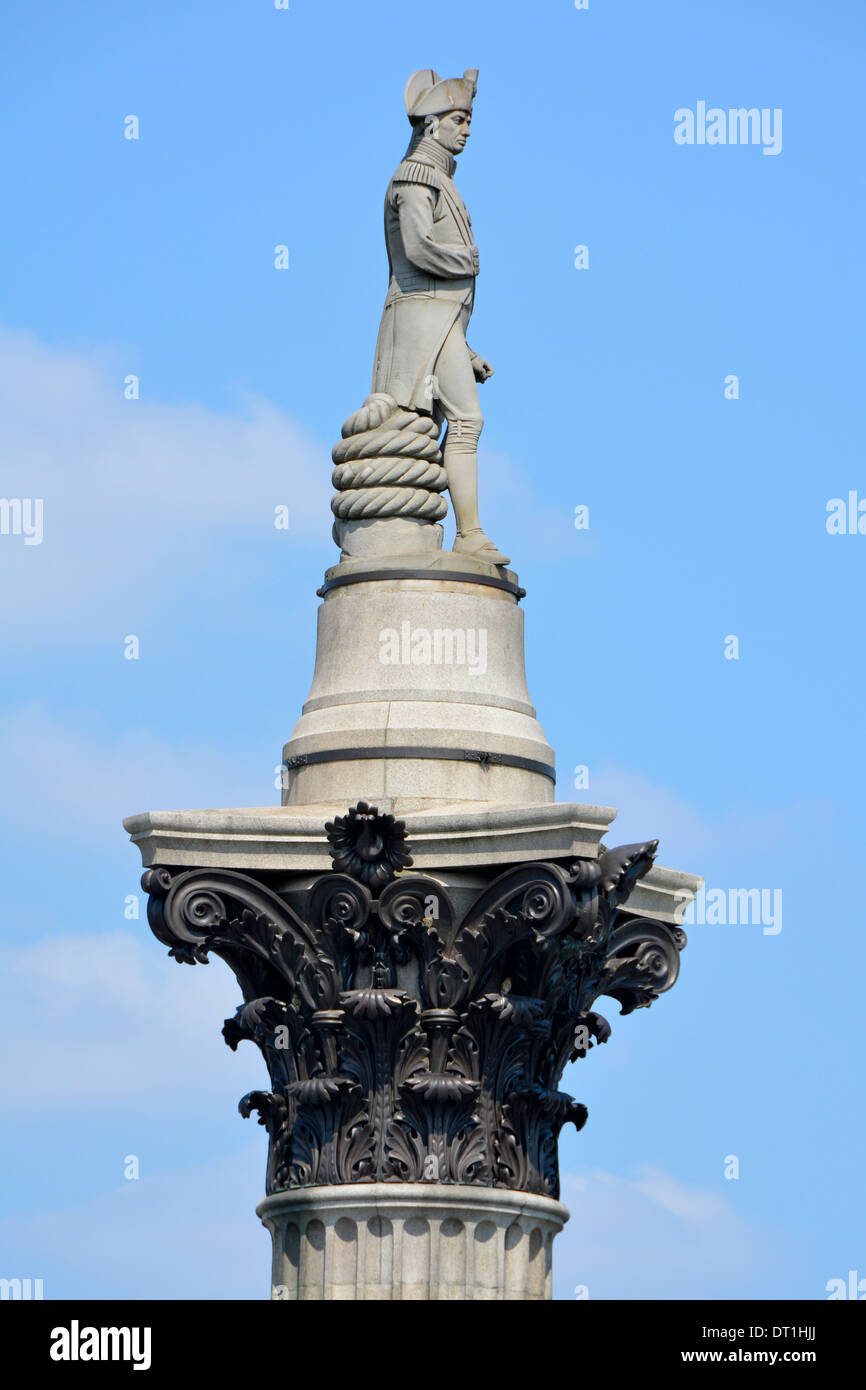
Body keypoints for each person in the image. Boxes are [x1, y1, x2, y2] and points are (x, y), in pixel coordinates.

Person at [371, 68, 510, 567]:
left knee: (447, 426)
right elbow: (416, 249)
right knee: (467, 419)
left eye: (468, 119)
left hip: (439, 324)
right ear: (431, 124)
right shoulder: (414, 177)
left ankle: (456, 531)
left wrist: (465, 350)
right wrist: (467, 262)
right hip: (416, 324)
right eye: (458, 119)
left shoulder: (438, 180)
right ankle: (469, 533)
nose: (466, 130)